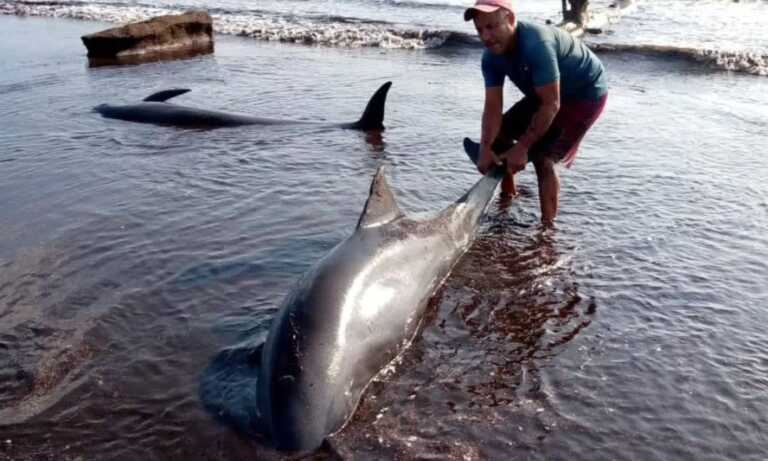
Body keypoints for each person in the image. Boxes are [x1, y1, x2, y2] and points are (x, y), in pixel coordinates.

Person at [464, 0, 607, 227]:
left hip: (585, 94)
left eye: (491, 27)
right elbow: (492, 107)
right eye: (480, 30)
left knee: (544, 157)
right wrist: (484, 147)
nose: (486, 37)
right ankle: (508, 196)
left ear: (511, 19)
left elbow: (551, 105)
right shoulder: (490, 57)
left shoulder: (536, 44)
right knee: (499, 137)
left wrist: (521, 148)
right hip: (546, 93)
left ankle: (547, 230)